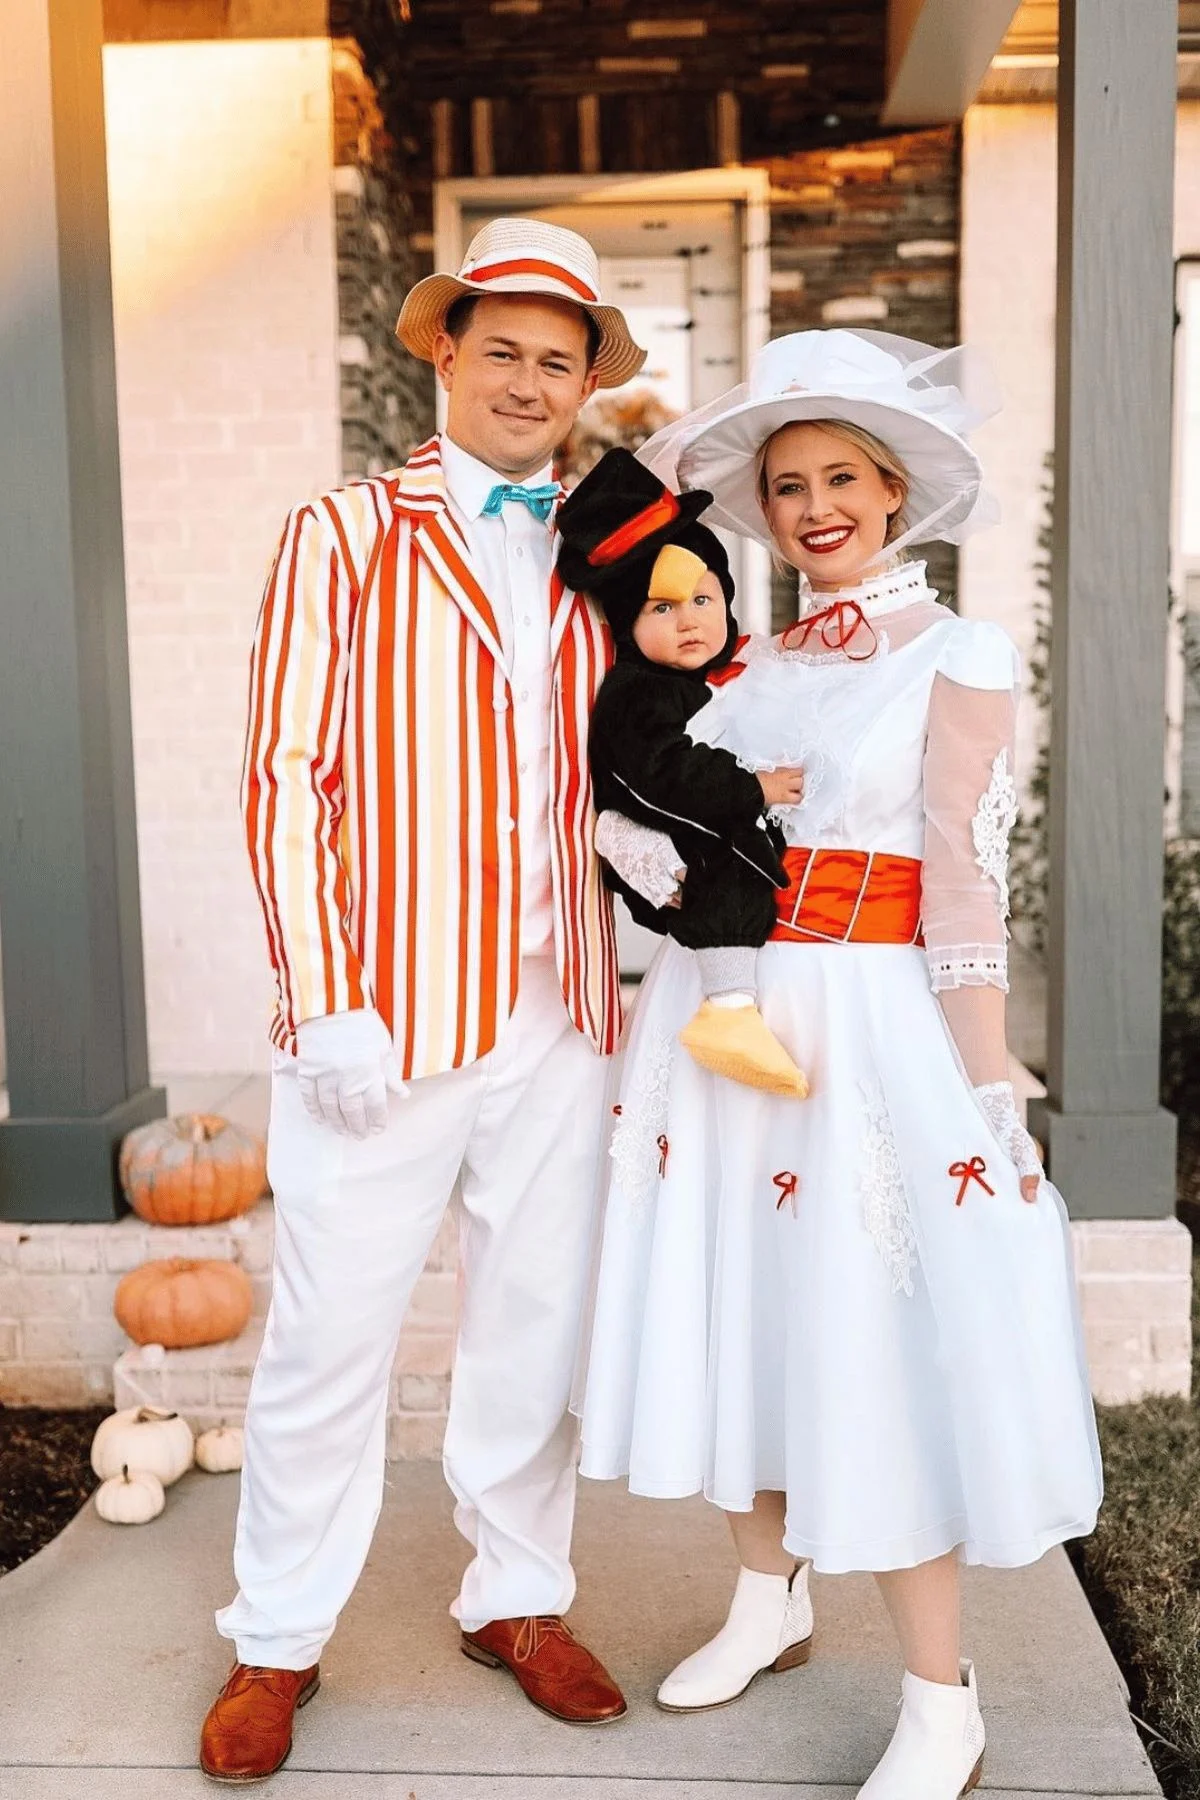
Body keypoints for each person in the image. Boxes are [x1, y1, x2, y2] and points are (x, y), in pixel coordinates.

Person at [578, 329, 1103, 1800]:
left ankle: (942, 1699)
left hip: (866, 1031)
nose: (813, 506)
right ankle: (770, 1593)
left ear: (892, 493)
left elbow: (963, 887)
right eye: (786, 482)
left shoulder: (957, 654)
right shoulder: (736, 668)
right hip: (725, 1021)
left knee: (873, 1343)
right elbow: (671, 825)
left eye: (841, 480)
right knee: (745, 1313)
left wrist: (990, 1085)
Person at [200, 218, 659, 1785]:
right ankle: (276, 1639)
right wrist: (321, 1001)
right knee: (331, 1336)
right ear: (446, 353)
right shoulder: (342, 531)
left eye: (562, 357)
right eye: (506, 349)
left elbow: (650, 741)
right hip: (383, 1018)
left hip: (564, 1010)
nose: (533, 380)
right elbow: (282, 780)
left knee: (532, 1331)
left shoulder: (612, 546)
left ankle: (517, 1599)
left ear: (587, 381)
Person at [555, 448, 808, 1097]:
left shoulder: (719, 677)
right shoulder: (639, 693)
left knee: (744, 872)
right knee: (727, 881)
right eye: (660, 607)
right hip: (664, 840)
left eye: (701, 597)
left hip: (701, 823)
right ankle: (728, 1011)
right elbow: (665, 773)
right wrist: (754, 789)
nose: (689, 618)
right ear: (626, 626)